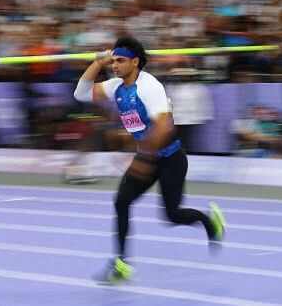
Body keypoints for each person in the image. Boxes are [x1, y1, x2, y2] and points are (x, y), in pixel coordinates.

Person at [73, 36, 225, 283]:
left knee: (172, 215)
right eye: (113, 61)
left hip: (170, 158)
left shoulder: (149, 86)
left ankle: (209, 220)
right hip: (146, 156)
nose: (115, 65)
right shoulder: (115, 87)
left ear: (135, 62)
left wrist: (146, 157)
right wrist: (97, 64)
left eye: (119, 61)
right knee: (121, 202)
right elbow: (80, 93)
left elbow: (164, 127)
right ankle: (121, 264)